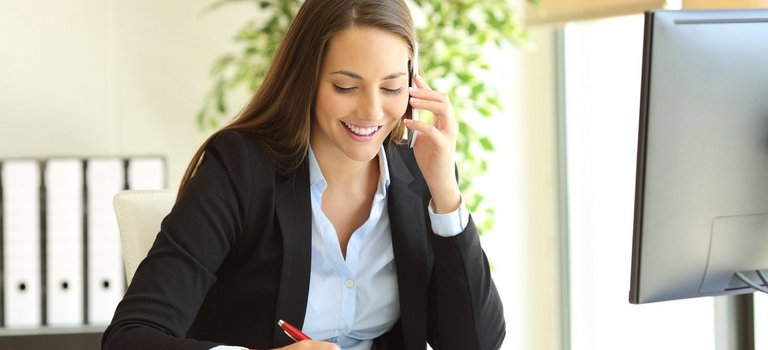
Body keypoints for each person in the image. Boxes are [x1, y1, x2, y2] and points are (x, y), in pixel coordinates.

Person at [101, 0, 505, 349]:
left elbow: (474, 343)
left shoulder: (420, 178)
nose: (371, 112)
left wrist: (445, 193)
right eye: (346, 87)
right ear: (306, 80)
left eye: (392, 88)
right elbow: (131, 336)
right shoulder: (240, 169)